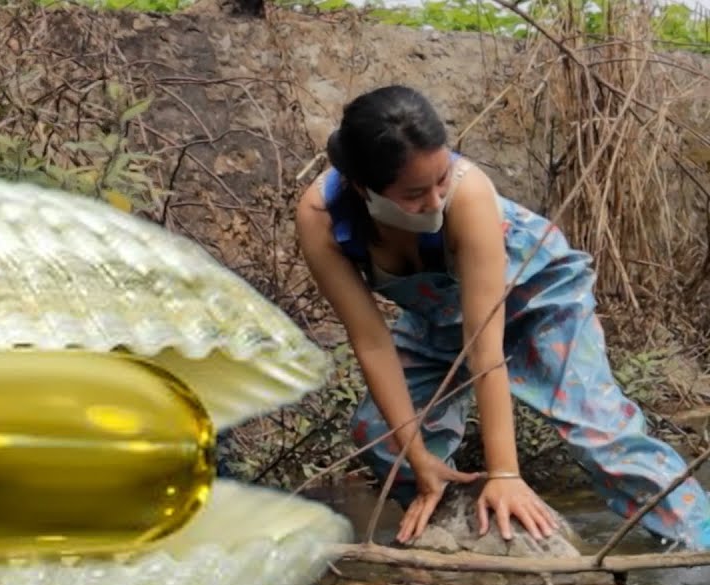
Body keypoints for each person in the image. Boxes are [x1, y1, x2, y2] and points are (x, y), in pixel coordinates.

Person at [294, 84, 710, 550]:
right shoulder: (322, 219)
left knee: (603, 439)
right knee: (382, 438)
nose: (434, 202)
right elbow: (371, 341)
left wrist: (506, 472)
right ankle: (471, 530)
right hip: (441, 319)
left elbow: (484, 348)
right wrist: (418, 456)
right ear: (361, 186)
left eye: (441, 180)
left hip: (542, 298)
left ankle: (699, 548)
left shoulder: (468, 193)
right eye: (413, 194)